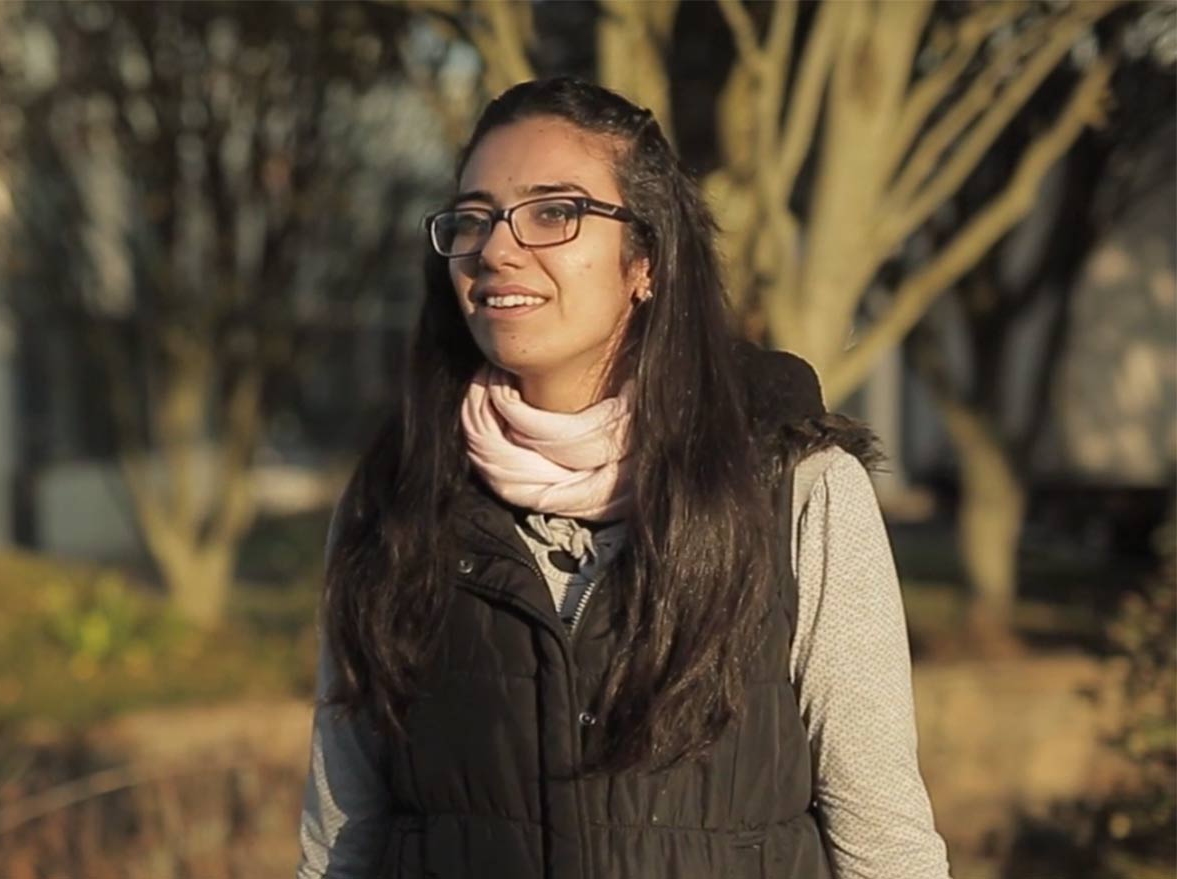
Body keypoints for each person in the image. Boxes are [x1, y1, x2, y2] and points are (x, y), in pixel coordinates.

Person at [294, 77, 952, 879]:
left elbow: (884, 843)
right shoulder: (391, 505)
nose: (497, 249)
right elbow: (343, 837)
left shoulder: (795, 489)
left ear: (644, 258)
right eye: (473, 218)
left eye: (552, 213)